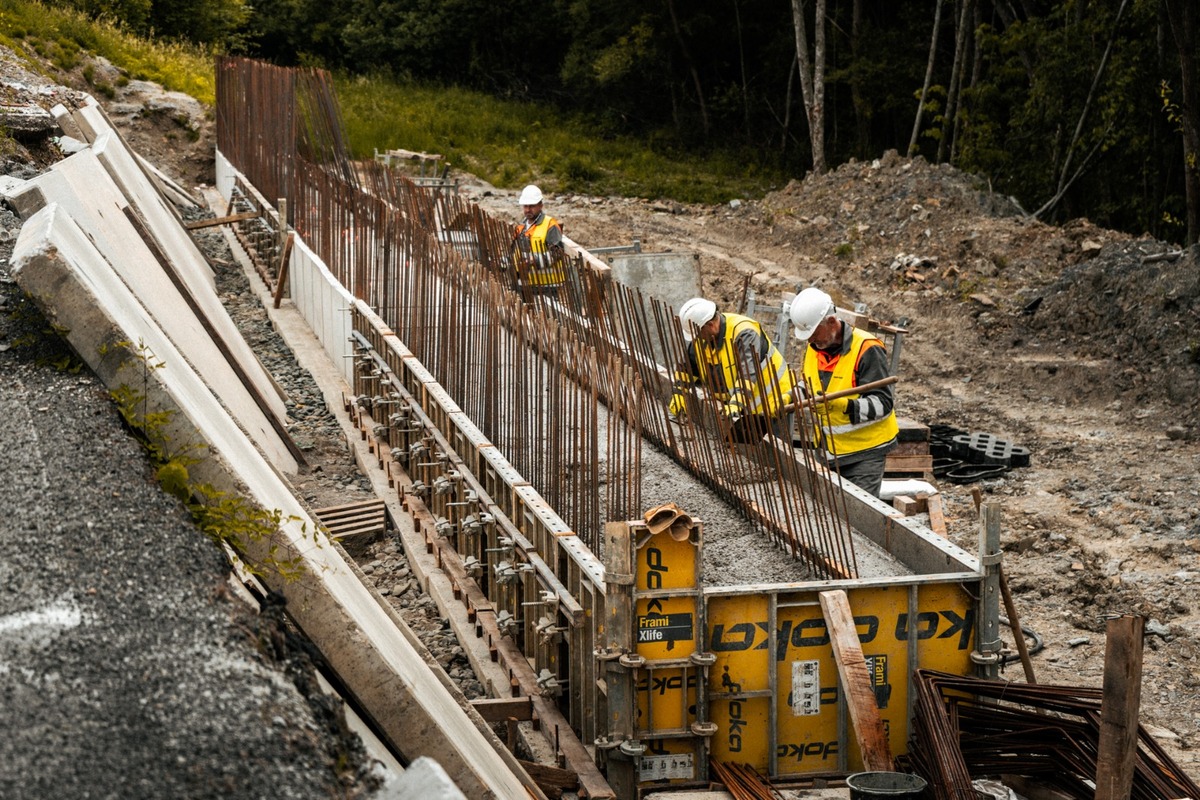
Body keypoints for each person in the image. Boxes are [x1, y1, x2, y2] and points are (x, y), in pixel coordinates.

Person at [789, 287, 898, 498]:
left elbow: (883, 404)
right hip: (829, 451)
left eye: (813, 333)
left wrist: (842, 405)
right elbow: (810, 385)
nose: (810, 340)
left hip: (864, 455)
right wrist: (793, 394)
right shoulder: (815, 348)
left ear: (831, 322)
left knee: (858, 521)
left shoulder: (867, 349)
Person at [668, 297, 797, 447]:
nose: (696, 338)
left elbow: (748, 373)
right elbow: (687, 367)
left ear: (710, 325)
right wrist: (679, 392)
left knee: (774, 458)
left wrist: (736, 403)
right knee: (746, 454)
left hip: (773, 404)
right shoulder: (703, 340)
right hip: (741, 410)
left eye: (697, 334)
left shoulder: (744, 332)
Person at [511, 184, 566, 295]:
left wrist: (534, 260)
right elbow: (515, 254)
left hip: (548, 286)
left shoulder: (550, 225)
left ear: (540, 205)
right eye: (525, 206)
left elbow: (557, 253)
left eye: (531, 206)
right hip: (525, 284)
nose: (527, 210)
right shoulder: (521, 227)